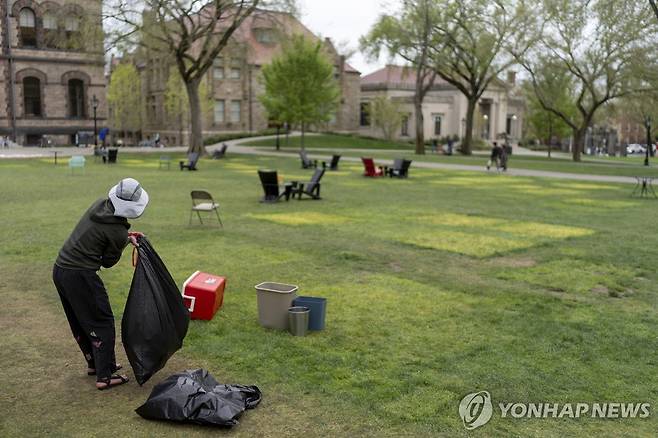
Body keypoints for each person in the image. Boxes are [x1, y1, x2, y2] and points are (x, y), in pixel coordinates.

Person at [52, 178, 149, 390]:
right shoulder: (117, 232)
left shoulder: (99, 205)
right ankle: (105, 376)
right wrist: (123, 240)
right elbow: (108, 262)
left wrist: (124, 237)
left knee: (80, 319)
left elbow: (103, 232)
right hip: (80, 275)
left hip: (60, 269)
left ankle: (95, 363)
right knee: (101, 320)